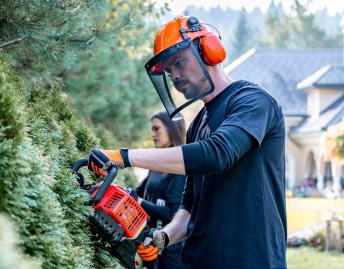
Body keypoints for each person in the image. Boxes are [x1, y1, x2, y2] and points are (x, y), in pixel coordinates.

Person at [87, 16, 287, 269]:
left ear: (210, 50)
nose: (175, 76)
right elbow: (191, 206)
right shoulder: (198, 124)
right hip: (198, 261)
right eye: (169, 71)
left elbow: (217, 154)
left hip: (251, 260)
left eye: (179, 62)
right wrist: (164, 237)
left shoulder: (253, 102)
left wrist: (124, 156)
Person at [136, 111, 186, 269]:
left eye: (157, 129)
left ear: (172, 129)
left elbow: (173, 213)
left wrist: (140, 202)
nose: (153, 134)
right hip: (149, 246)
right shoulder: (158, 163)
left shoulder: (181, 167)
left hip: (170, 253)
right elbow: (137, 192)